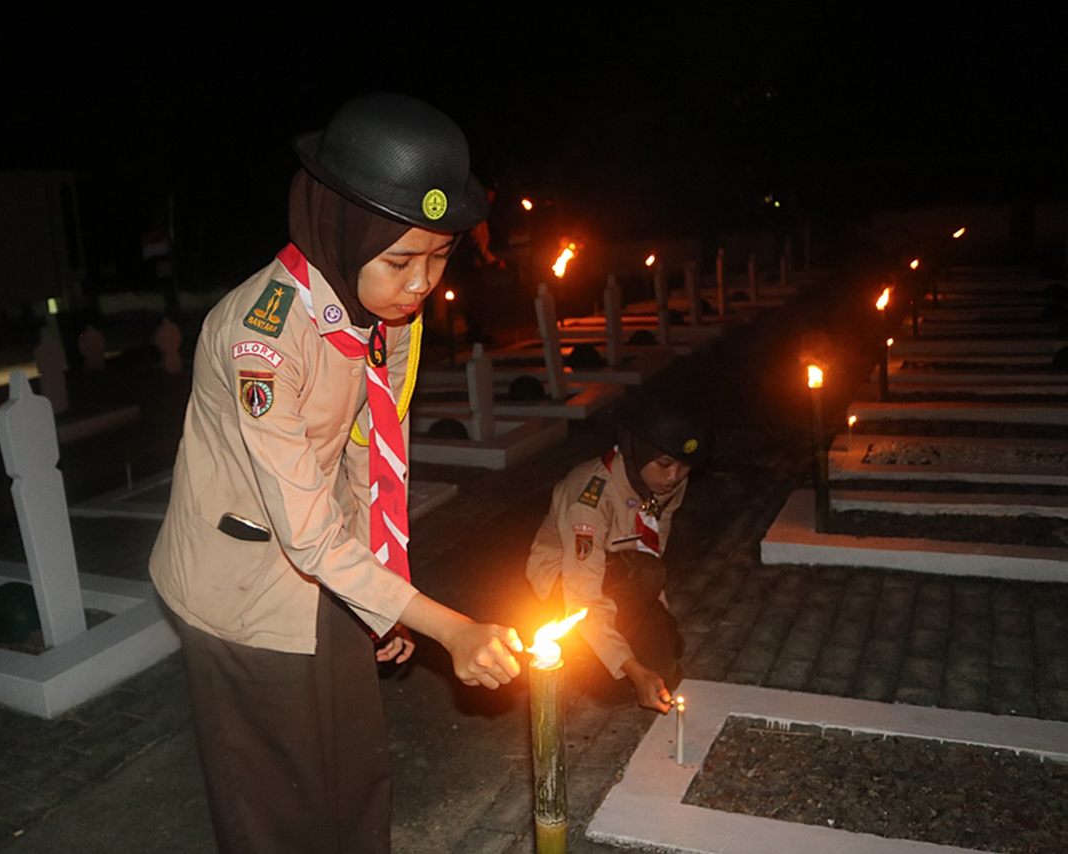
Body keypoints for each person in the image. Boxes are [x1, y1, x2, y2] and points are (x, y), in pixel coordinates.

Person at [149, 93, 523, 854]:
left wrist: (386, 595)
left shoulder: (383, 317)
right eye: (401, 260)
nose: (422, 284)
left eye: (440, 256)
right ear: (341, 229)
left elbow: (370, 455)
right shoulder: (266, 340)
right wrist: (446, 626)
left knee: (353, 769)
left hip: (328, 566)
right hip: (244, 586)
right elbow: (306, 528)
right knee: (276, 795)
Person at [525, 400, 711, 713]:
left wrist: (659, 613)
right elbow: (582, 595)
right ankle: (583, 655)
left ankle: (623, 636)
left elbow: (652, 546)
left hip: (627, 577)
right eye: (665, 464)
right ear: (638, 450)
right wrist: (632, 669)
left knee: (667, 668)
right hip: (567, 582)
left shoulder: (668, 483)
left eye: (684, 466)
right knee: (613, 686)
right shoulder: (589, 497)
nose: (674, 477)